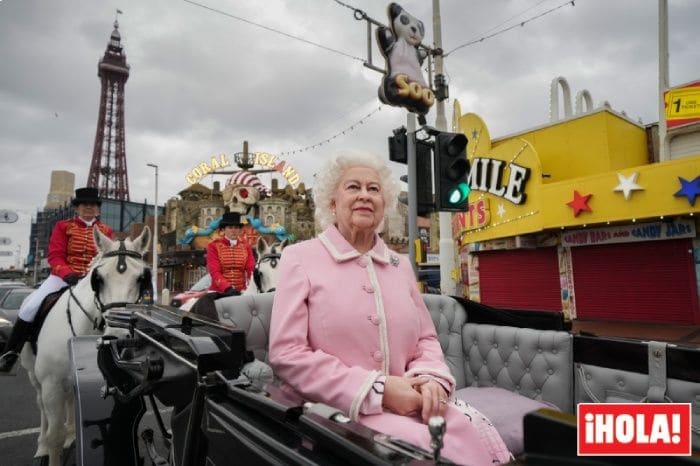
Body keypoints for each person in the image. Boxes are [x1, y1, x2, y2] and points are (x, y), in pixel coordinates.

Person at [268, 152, 512, 465]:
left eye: (374, 189)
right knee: (423, 450)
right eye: (353, 187)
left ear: (384, 205)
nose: (364, 196)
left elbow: (425, 339)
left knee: (462, 430)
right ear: (331, 202)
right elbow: (287, 354)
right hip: (338, 412)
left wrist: (431, 380)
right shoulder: (299, 258)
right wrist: (378, 391)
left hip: (415, 401)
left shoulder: (400, 265)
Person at [0, 187, 113, 374]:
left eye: (92, 205)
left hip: (91, 279)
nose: (89, 208)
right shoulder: (63, 226)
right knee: (30, 307)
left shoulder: (105, 230)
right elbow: (55, 255)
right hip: (62, 277)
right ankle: (10, 353)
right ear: (77, 208)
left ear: (98, 209)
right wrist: (67, 273)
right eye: (85, 205)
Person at [206, 211, 255, 295]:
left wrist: (255, 284)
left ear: (240, 230)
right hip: (219, 291)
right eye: (230, 227)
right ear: (223, 229)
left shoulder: (246, 246)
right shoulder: (213, 246)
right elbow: (214, 272)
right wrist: (227, 288)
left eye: (236, 227)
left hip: (241, 291)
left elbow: (251, 269)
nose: (233, 230)